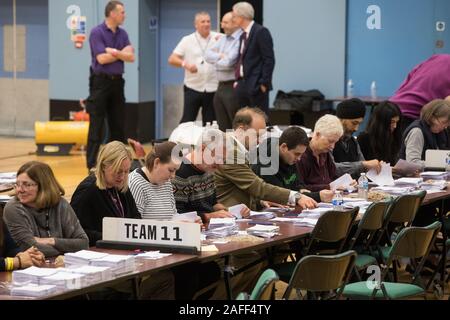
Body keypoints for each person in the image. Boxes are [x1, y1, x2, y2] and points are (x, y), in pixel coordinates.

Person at [70, 141, 174, 300]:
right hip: (101, 262)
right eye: (118, 171)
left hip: (124, 255)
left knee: (167, 276)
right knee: (163, 279)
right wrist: (114, 235)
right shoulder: (88, 191)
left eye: (126, 172)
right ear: (104, 166)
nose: (123, 176)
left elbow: (136, 220)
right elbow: (75, 232)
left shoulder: (121, 188)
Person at [215, 107, 317, 210]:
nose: (259, 142)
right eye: (257, 135)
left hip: (240, 214)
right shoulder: (229, 151)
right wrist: (295, 196)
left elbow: (243, 187)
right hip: (229, 217)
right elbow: (257, 186)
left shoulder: (240, 150)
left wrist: (262, 201)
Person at [86, 0, 135, 170]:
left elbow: (131, 57)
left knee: (118, 124)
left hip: (117, 82)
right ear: (112, 13)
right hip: (100, 82)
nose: (124, 15)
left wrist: (113, 51)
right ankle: (92, 164)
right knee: (96, 125)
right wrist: (121, 53)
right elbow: (101, 58)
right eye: (122, 12)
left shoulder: (122, 33)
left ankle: (118, 162)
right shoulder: (96, 32)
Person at [3, 161, 89, 258]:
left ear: (43, 186)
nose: (20, 190)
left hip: (61, 265)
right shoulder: (14, 208)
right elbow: (30, 248)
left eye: (27, 185)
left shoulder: (61, 204)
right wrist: (67, 248)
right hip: (31, 269)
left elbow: (83, 243)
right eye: (17, 184)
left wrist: (51, 241)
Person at [173, 128, 250, 223]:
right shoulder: (180, 173)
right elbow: (178, 214)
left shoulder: (208, 169)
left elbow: (212, 204)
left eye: (223, 159)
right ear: (203, 149)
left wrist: (233, 211)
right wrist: (208, 216)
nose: (220, 164)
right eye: (218, 157)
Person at [251, 126, 334, 203]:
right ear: (284, 147)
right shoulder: (265, 164)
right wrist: (318, 196)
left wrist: (301, 190)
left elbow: (297, 186)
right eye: (297, 154)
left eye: (301, 154)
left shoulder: (289, 158)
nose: (299, 159)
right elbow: (282, 195)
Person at [168, 11, 219, 124]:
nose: (206, 24)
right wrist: (185, 64)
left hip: (213, 87)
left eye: (208, 21)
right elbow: (172, 59)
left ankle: (207, 142)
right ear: (196, 24)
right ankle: (182, 141)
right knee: (187, 121)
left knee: (211, 123)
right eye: (203, 21)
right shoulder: (187, 40)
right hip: (193, 87)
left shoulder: (218, 38)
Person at [232, 2, 275, 114]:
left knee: (260, 121)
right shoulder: (242, 35)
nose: (233, 18)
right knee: (243, 121)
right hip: (242, 84)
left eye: (234, 15)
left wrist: (264, 84)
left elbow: (269, 60)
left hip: (256, 86)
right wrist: (237, 81)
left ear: (242, 16)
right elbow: (241, 59)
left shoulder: (261, 32)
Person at [389, 54, 450, 132]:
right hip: (412, 119)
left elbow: (408, 79)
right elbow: (447, 105)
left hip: (391, 107)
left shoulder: (437, 57)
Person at [204, 12, 242, 130]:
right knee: (222, 125)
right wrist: (221, 56)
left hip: (232, 86)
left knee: (234, 123)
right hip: (220, 86)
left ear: (235, 23)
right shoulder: (223, 39)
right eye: (222, 22)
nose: (222, 25)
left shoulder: (240, 39)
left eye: (225, 22)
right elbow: (207, 55)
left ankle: (237, 147)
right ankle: (226, 148)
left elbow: (229, 62)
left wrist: (216, 61)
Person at [128, 141, 181, 220]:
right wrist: (173, 225)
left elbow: (173, 215)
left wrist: (187, 222)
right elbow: (135, 224)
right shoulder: (136, 183)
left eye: (175, 170)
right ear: (156, 162)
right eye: (170, 170)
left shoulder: (166, 183)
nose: (173, 176)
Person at [333, 98, 381, 178]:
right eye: (354, 123)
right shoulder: (328, 141)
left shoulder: (353, 141)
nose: (356, 129)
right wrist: (363, 165)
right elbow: (330, 168)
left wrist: (377, 166)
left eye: (359, 124)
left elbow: (363, 166)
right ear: (340, 120)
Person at [296, 115, 345, 192]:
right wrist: (329, 187)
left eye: (335, 142)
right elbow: (300, 188)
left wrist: (345, 184)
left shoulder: (325, 153)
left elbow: (334, 177)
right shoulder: (300, 155)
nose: (333, 146)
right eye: (330, 141)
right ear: (317, 135)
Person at [399, 99, 450, 169]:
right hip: (411, 177)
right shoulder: (417, 132)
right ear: (432, 117)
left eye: (447, 124)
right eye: (443, 122)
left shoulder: (442, 132)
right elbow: (412, 162)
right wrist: (437, 163)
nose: (445, 127)